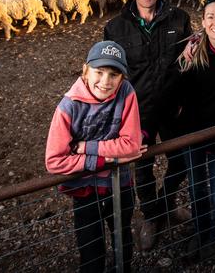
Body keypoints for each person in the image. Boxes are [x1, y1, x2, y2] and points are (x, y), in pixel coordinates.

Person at [104, 0, 193, 251]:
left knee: (180, 159)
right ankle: (152, 216)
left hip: (173, 106)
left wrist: (184, 97)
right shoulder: (116, 28)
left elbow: (188, 63)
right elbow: (111, 73)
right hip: (137, 111)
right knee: (142, 168)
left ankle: (166, 203)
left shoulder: (179, 19)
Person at [45, 40, 145, 272]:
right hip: (85, 190)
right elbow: (54, 160)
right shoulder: (68, 106)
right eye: (99, 72)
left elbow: (131, 146)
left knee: (122, 238)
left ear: (122, 78)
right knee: (91, 250)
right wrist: (103, 159)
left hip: (120, 185)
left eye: (113, 74)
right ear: (85, 70)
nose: (105, 82)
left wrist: (84, 148)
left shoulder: (126, 93)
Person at [176, 0, 215, 259]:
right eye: (210, 17)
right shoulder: (193, 54)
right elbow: (177, 92)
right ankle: (200, 233)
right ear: (202, 22)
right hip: (194, 135)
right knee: (197, 190)